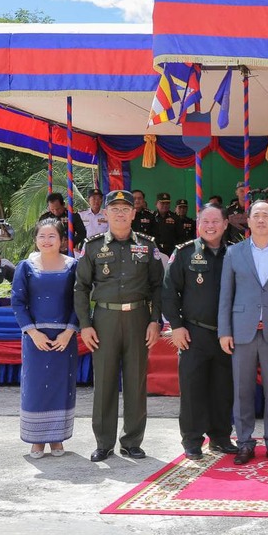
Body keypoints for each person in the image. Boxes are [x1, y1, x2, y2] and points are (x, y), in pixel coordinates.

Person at [74, 190, 164, 462]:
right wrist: (85, 325)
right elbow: (81, 288)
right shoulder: (92, 246)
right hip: (105, 320)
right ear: (106, 214)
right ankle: (104, 443)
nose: (121, 213)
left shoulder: (147, 245)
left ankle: (132, 441)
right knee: (104, 382)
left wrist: (155, 321)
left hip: (138, 318)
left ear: (134, 213)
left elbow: (158, 287)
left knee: (136, 381)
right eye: (115, 209)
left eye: (126, 209)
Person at [218, 200, 268, 466]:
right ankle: (244, 442)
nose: (261, 220)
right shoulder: (234, 252)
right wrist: (224, 331)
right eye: (256, 216)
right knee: (242, 390)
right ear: (249, 221)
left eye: (266, 216)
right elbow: (226, 295)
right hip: (242, 330)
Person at [162, 204, 237, 460]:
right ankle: (192, 440)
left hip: (226, 335)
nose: (210, 226)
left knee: (223, 389)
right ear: (198, 224)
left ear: (225, 224)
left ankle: (221, 437)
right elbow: (169, 291)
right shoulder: (184, 253)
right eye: (205, 221)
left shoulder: (234, 254)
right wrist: (176, 326)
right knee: (192, 389)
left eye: (216, 221)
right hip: (193, 333)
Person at [11, 218, 79, 459]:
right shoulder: (26, 267)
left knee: (61, 386)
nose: (47, 240)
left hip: (64, 339)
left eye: (52, 236)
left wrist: (69, 332)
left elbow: (80, 301)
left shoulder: (73, 266)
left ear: (61, 240)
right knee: (35, 387)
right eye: (42, 236)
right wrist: (33, 332)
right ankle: (36, 440)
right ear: (35, 240)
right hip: (35, 339)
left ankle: (57, 438)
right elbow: (18, 302)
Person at [152, 192, 184, 257]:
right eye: (162, 203)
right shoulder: (151, 217)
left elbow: (181, 237)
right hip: (155, 250)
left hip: (171, 251)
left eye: (167, 203)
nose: (165, 205)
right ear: (156, 204)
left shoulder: (175, 218)